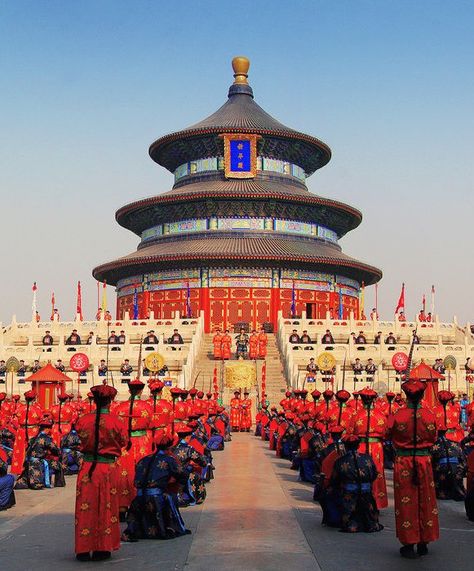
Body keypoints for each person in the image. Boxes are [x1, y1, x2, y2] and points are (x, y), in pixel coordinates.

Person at [74, 384, 126, 562]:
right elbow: (124, 441)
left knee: (85, 506)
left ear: (94, 401)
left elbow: (79, 436)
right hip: (107, 468)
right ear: (110, 401)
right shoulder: (116, 421)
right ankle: (102, 548)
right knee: (106, 506)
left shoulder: (83, 420)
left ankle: (82, 548)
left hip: (87, 467)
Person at [391, 379, 439, 559]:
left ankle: (409, 543)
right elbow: (434, 436)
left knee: (406, 501)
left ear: (406, 395)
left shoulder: (397, 415)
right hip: (424, 460)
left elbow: (388, 433)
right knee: (425, 498)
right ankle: (424, 541)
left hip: (404, 460)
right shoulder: (430, 415)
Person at [121, 433, 190, 542]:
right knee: (170, 497)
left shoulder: (143, 460)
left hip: (138, 499)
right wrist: (179, 487)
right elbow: (183, 474)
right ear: (169, 448)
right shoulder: (168, 460)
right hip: (155, 498)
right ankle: (167, 527)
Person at [329, 434, 383, 533]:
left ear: (345, 446)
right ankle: (370, 523)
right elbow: (374, 474)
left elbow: (334, 480)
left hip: (349, 495)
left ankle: (350, 523)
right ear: (358, 446)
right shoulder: (367, 458)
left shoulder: (340, 461)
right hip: (366, 495)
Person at [15, 417, 65, 490]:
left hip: (29, 462)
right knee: (57, 465)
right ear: (47, 429)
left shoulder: (33, 438)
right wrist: (58, 453)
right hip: (38, 463)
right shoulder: (46, 438)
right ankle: (58, 483)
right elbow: (55, 449)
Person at [431, 424, 466, 501]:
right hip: (457, 473)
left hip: (442, 474)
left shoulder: (433, 446)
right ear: (446, 432)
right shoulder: (456, 444)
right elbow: (464, 461)